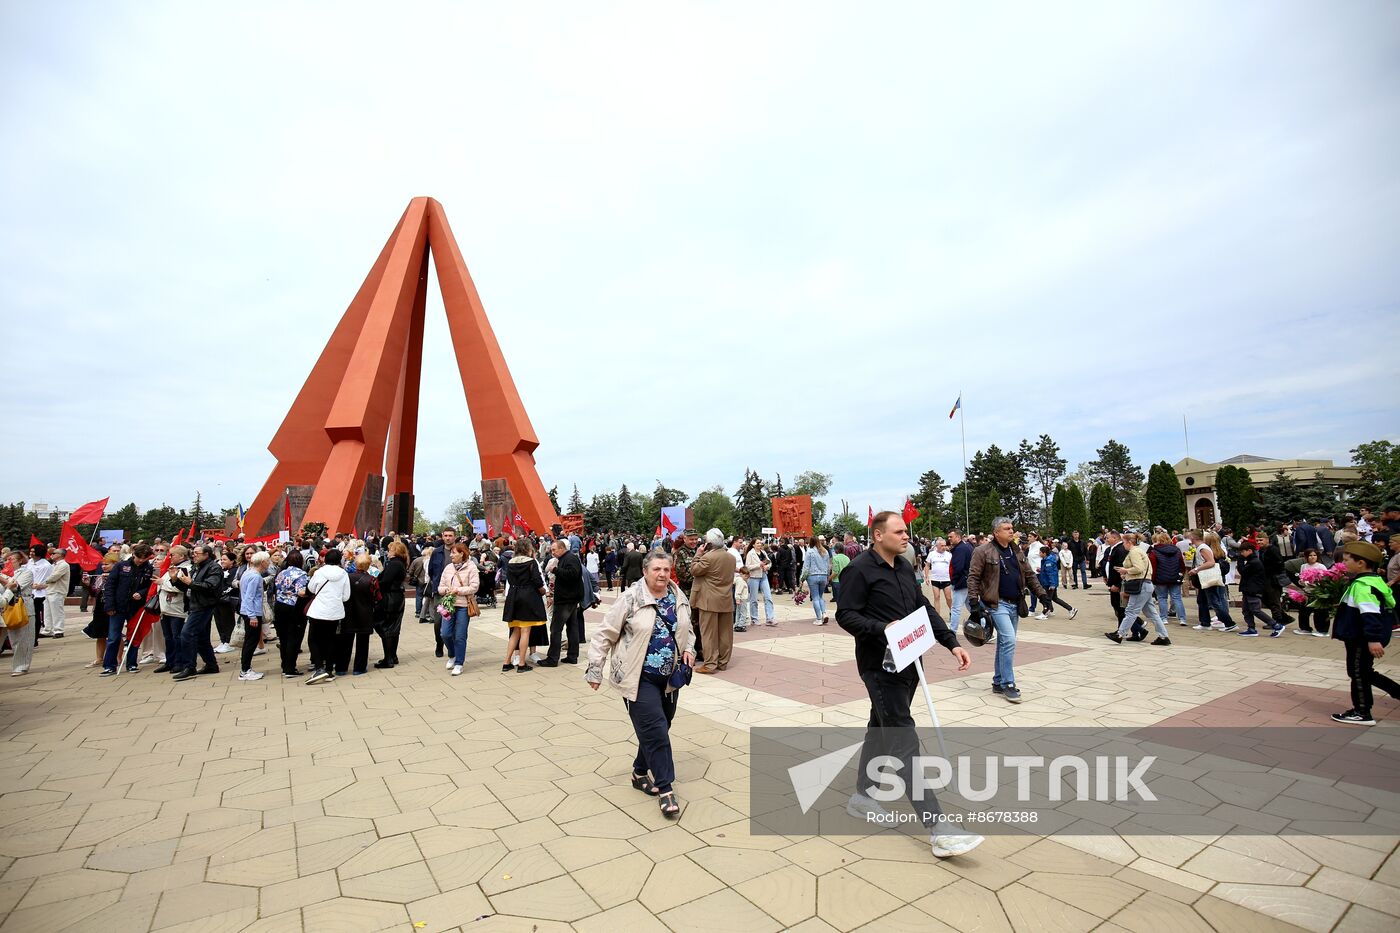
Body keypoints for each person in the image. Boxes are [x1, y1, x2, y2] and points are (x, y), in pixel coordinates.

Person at [836, 511, 981, 858]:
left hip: (909, 664)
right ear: (878, 535)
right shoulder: (858, 570)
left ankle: (862, 796)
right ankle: (939, 828)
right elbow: (846, 614)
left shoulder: (903, 567)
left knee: (879, 729)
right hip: (879, 667)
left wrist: (951, 643)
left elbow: (923, 609)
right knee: (903, 740)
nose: (906, 536)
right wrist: (882, 628)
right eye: (899, 531)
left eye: (906, 532)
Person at [585, 549, 694, 819]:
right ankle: (665, 788)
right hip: (637, 677)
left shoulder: (678, 596)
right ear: (645, 571)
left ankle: (638, 772)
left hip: (670, 678)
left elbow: (688, 629)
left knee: (661, 726)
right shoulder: (631, 598)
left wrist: (689, 649)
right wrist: (595, 669)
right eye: (656, 569)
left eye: (666, 569)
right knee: (656, 730)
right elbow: (604, 633)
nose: (662, 574)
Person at [967, 517, 1049, 704]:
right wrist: (973, 602)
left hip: (1015, 603)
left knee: (1005, 642)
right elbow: (973, 577)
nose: (1011, 531)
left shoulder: (1016, 550)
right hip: (996, 604)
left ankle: (998, 681)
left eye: (1012, 528)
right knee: (1009, 640)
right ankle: (1008, 683)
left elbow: (1029, 574)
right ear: (996, 533)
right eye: (1006, 528)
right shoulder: (982, 551)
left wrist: (1042, 595)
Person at [1329, 541, 1399, 725]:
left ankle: (1362, 712)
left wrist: (1373, 639)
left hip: (1361, 638)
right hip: (1360, 636)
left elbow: (1370, 615)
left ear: (1360, 563)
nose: (1343, 563)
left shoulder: (1364, 586)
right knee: (1364, 672)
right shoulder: (1373, 581)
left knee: (1358, 673)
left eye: (1347, 560)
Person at [1104, 533, 1170, 645]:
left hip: (1140, 585)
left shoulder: (1134, 552)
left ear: (1129, 542)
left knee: (1131, 611)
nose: (1123, 544)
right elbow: (1141, 569)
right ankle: (1163, 636)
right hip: (1146, 584)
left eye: (1124, 542)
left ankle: (1120, 634)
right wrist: (1127, 574)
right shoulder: (1139, 551)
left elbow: (1138, 568)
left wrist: (1126, 571)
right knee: (1152, 613)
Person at [100, 544, 155, 675]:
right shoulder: (121, 566)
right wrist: (109, 605)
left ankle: (131, 663)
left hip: (135, 607)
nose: (141, 560)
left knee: (134, 636)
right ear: (133, 554)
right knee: (113, 637)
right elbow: (110, 586)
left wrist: (141, 593)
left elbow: (150, 586)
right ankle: (109, 665)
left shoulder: (148, 568)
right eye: (139, 557)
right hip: (118, 606)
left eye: (144, 558)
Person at [690, 528, 738, 674]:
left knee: (709, 634)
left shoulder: (707, 558)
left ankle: (710, 664)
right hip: (726, 599)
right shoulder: (731, 558)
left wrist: (698, 555)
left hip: (709, 601)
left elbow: (694, 570)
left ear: (709, 543)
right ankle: (723, 662)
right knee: (725, 633)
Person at [172, 543, 222, 680]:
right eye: (193, 553)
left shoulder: (213, 567)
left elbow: (210, 586)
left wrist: (190, 583)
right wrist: (176, 580)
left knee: (187, 634)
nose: (193, 555)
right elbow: (189, 588)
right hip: (194, 604)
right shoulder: (196, 567)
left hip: (204, 606)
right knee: (201, 637)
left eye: (196, 553)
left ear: (206, 554)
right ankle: (211, 665)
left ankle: (190, 666)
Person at [305, 548, 351, 684]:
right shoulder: (343, 574)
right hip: (335, 611)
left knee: (313, 639)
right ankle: (329, 670)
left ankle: (319, 667)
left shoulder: (319, 572)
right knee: (331, 640)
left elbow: (311, 588)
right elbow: (346, 596)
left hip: (318, 611)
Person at [501, 537, 547, 672]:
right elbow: (537, 580)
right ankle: (522, 663)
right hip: (528, 596)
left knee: (515, 631)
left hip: (513, 596)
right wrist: (543, 591)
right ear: (528, 549)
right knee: (525, 631)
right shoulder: (531, 562)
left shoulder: (511, 562)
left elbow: (509, 580)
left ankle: (506, 662)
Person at [540, 539, 581, 668]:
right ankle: (572, 656)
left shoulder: (570, 558)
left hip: (566, 599)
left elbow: (573, 574)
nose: (552, 552)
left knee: (556, 629)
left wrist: (555, 570)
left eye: (554, 550)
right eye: (551, 550)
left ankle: (552, 658)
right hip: (569, 598)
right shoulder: (566, 558)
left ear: (562, 548)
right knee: (572, 628)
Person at [1186, 530, 1237, 632]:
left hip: (1208, 577)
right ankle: (1205, 623)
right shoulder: (1201, 547)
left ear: (1194, 537)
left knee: (1214, 601)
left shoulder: (1202, 548)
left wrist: (1196, 569)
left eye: (1190, 537)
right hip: (1204, 578)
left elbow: (1211, 562)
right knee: (1202, 600)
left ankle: (1229, 623)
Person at [339, 554, 380, 676]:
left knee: (345, 642)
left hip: (348, 612)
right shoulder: (372, 580)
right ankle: (359, 667)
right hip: (365, 613)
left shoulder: (347, 578)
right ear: (368, 565)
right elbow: (377, 597)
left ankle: (341, 668)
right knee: (363, 642)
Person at [272, 550, 310, 677]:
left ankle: (284, 665)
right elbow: (301, 592)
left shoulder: (281, 573)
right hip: (294, 607)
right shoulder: (301, 574)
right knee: (294, 637)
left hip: (279, 606)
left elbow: (276, 587)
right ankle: (290, 668)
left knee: (283, 638)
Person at [155, 545, 192, 673]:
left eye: (172, 555)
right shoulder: (172, 568)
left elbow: (180, 588)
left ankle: (179, 662)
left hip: (177, 609)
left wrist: (162, 583)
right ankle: (170, 661)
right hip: (166, 609)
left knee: (177, 637)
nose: (169, 557)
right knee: (168, 637)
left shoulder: (186, 569)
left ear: (181, 556)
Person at [374, 540, 408, 668]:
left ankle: (388, 659)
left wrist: (375, 586)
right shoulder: (400, 563)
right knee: (394, 628)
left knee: (386, 627)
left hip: (390, 597)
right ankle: (392, 656)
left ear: (395, 552)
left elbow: (385, 581)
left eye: (390, 550)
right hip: (396, 597)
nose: (388, 552)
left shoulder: (394, 564)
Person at [237, 552, 271, 680]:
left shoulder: (248, 573)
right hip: (252, 612)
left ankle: (245, 669)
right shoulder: (255, 577)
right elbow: (249, 597)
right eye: (267, 561)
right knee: (251, 641)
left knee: (249, 641)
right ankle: (245, 670)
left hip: (249, 611)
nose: (269, 563)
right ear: (262, 562)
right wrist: (252, 616)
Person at [1148, 532, 1187, 625]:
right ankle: (1182, 618)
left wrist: (1152, 578)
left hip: (1160, 577)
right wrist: (1181, 573)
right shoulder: (1176, 550)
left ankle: (1163, 618)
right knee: (1177, 598)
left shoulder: (1154, 551)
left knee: (1162, 598)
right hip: (1175, 576)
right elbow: (1181, 563)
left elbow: (1153, 566)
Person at [947, 530, 974, 632]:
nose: (949, 539)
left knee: (956, 609)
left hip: (961, 582)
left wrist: (954, 581)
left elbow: (958, 567)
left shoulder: (960, 549)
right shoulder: (967, 546)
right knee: (972, 606)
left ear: (958, 537)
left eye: (951, 537)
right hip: (967, 580)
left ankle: (952, 631)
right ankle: (985, 626)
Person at [744, 539, 775, 626]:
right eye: (757, 543)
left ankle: (770, 618)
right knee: (754, 599)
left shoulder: (763, 552)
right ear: (753, 545)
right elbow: (747, 567)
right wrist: (759, 565)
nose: (759, 544)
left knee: (768, 597)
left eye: (760, 543)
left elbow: (769, 562)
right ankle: (754, 619)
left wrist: (767, 566)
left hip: (764, 576)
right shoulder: (750, 554)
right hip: (754, 577)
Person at [802, 535, 833, 625]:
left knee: (815, 598)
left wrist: (802, 578)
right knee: (820, 596)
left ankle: (819, 619)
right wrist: (827, 576)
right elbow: (828, 566)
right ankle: (824, 613)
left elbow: (806, 567)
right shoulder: (825, 551)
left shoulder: (810, 551)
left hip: (813, 576)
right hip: (823, 576)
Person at [41, 547, 68, 637]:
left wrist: (43, 581)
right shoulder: (53, 565)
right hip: (49, 590)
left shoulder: (64, 565)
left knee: (57, 611)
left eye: (54, 553)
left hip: (57, 590)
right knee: (47, 612)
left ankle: (58, 630)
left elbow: (54, 577)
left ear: (61, 555)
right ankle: (48, 630)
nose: (51, 555)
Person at [924, 538, 953, 619]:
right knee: (937, 597)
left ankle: (952, 612)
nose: (944, 547)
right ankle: (938, 617)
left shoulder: (949, 555)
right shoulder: (931, 554)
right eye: (942, 546)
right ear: (937, 546)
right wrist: (926, 577)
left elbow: (953, 567)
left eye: (945, 545)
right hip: (935, 579)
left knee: (948, 598)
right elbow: (927, 565)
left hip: (946, 579)